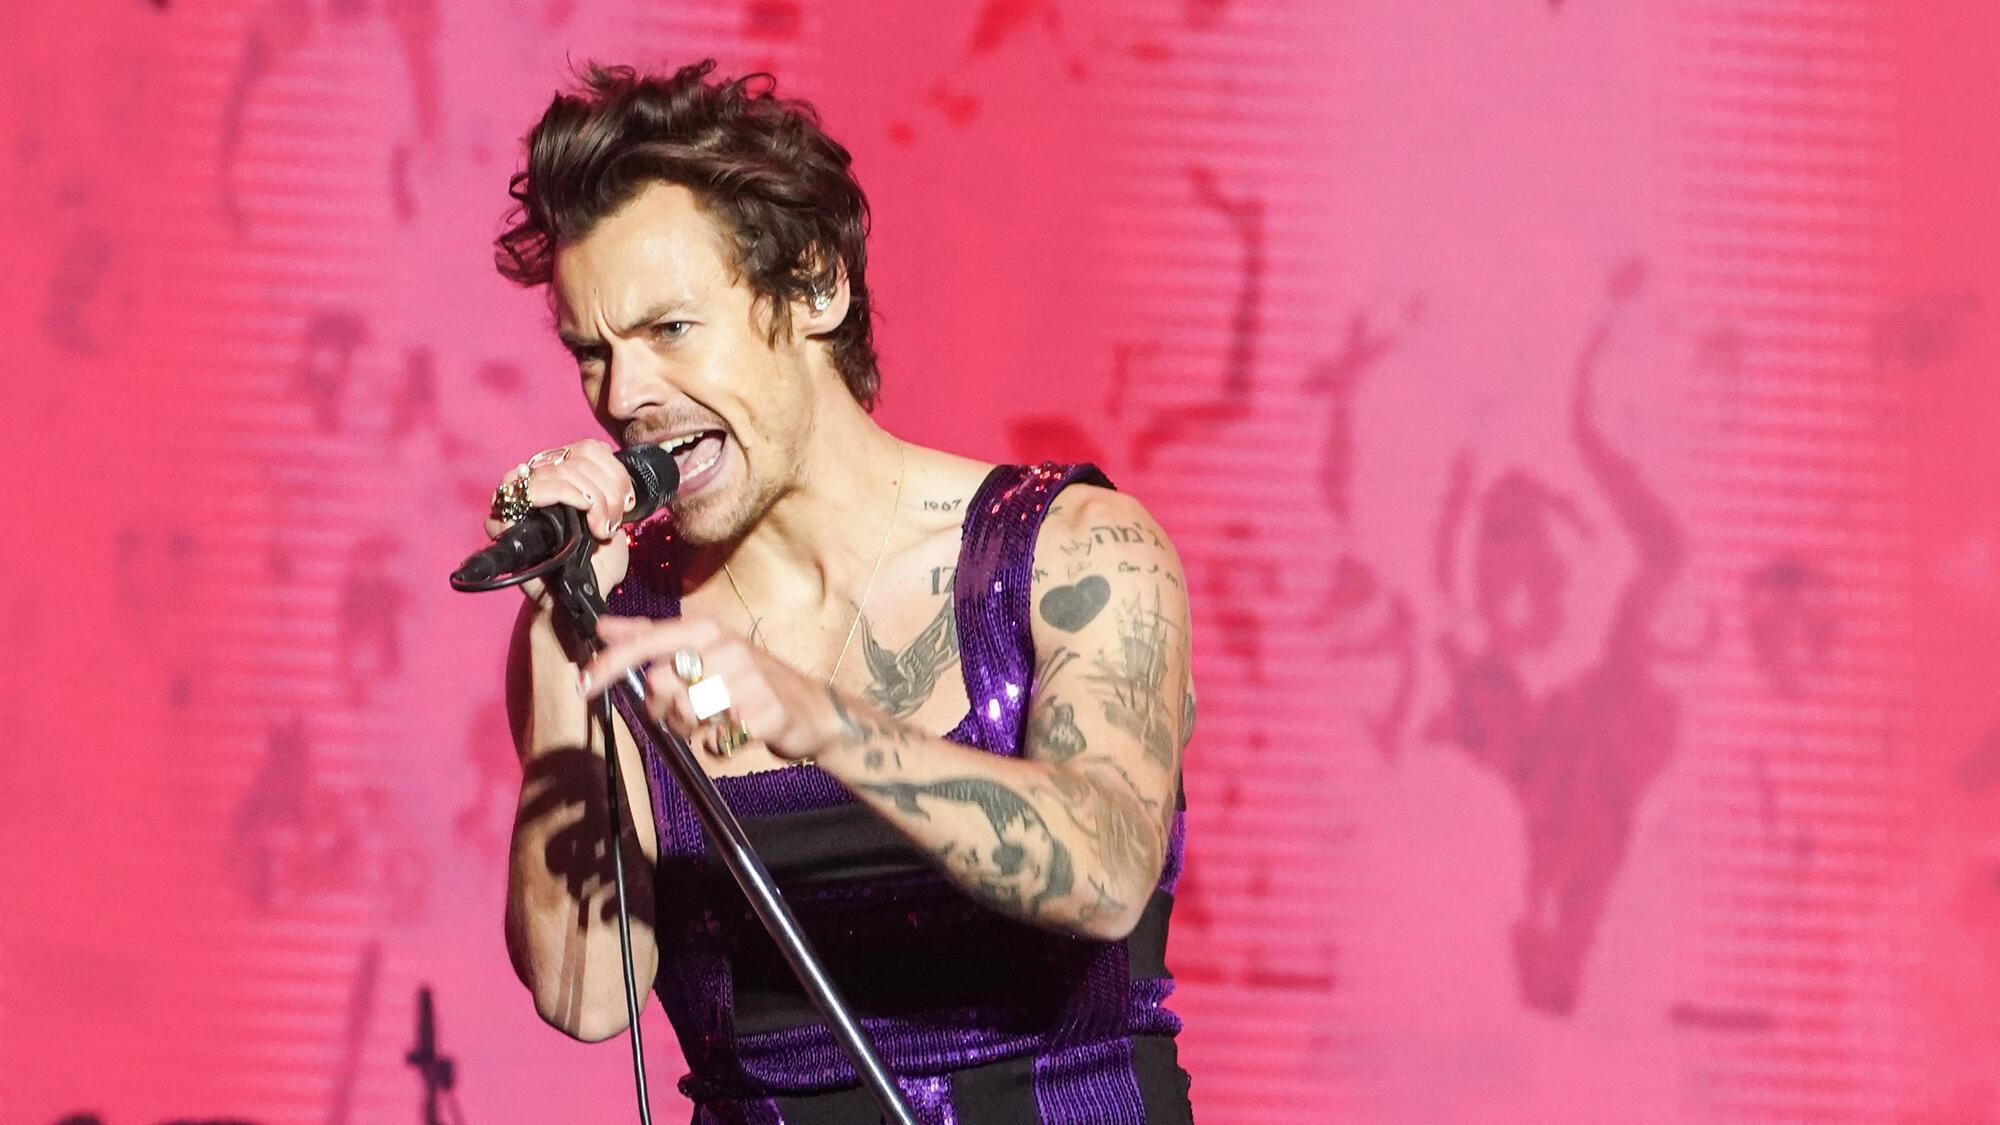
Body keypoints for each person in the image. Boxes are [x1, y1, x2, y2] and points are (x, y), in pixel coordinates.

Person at [489, 60, 1196, 1124]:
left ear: (816, 287)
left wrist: (822, 722)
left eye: (670, 330)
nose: (624, 396)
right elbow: (584, 997)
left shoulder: (1074, 551)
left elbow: (1103, 873)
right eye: (592, 352)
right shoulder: (618, 625)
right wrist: (561, 621)